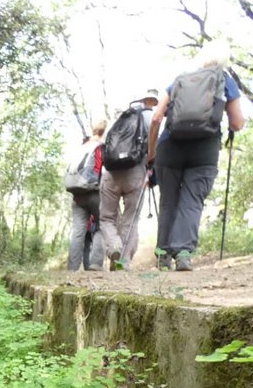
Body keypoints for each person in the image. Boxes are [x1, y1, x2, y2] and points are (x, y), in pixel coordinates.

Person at [146, 40, 245, 271]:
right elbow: (237, 122)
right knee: (191, 201)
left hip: (170, 147)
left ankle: (163, 256)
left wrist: (151, 153)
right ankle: (182, 253)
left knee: (168, 201)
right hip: (203, 149)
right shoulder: (225, 80)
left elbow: (156, 118)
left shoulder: (181, 79)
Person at [98, 89, 159, 270]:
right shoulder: (151, 118)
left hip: (111, 172)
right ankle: (122, 262)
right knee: (130, 218)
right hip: (136, 173)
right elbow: (156, 146)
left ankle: (114, 246)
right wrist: (152, 168)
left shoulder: (119, 120)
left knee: (107, 218)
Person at [66, 120, 106, 271]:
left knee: (77, 230)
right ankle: (95, 263)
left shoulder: (83, 147)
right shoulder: (100, 147)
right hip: (94, 191)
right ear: (104, 132)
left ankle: (72, 268)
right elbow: (104, 170)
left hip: (77, 193)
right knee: (103, 226)